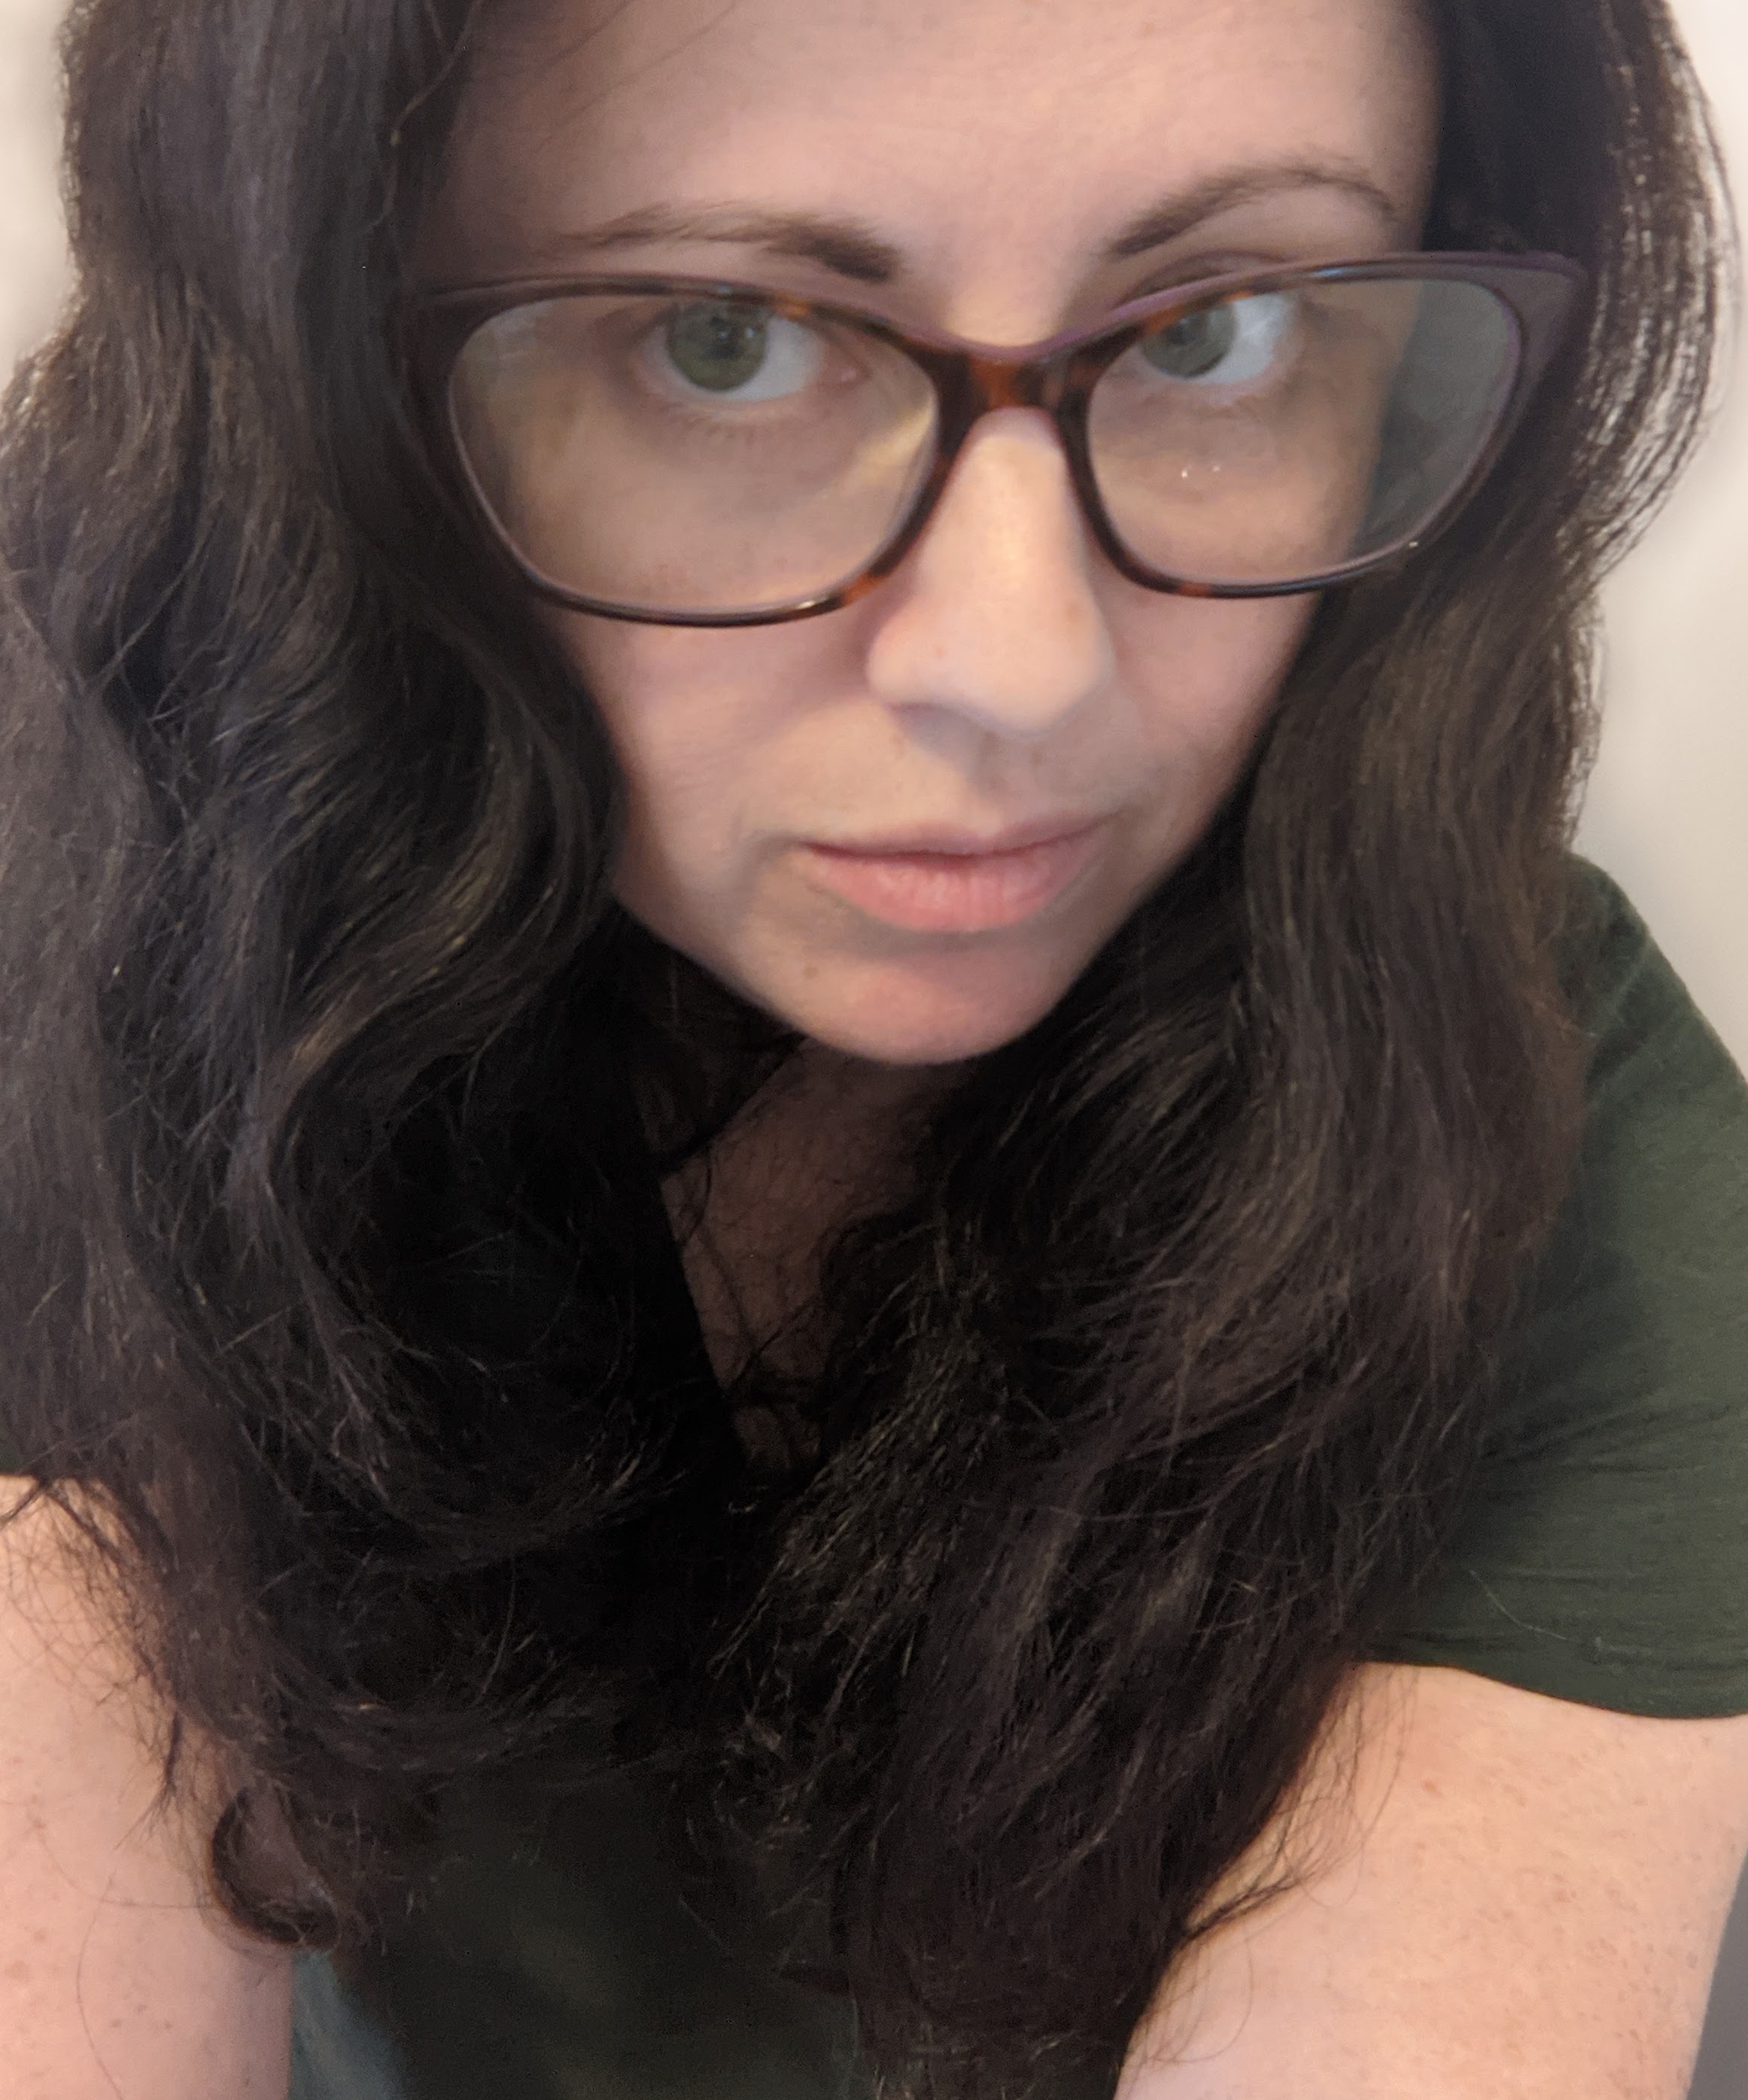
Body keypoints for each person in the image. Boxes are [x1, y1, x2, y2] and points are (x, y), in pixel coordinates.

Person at [1, 0, 1746, 2095]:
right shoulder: (87, 938)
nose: (1019, 665)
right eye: (720, 343)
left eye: (1223, 331)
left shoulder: (1542, 1140)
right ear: (322, 381)